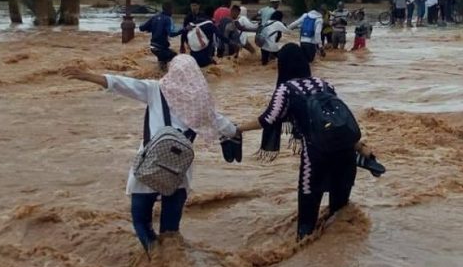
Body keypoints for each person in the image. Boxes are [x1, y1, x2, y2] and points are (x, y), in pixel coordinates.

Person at [61, 56, 239, 253]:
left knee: (141, 221)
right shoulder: (202, 104)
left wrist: (87, 76)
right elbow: (229, 129)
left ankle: (154, 256)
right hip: (179, 172)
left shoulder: (156, 89)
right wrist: (256, 126)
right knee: (171, 232)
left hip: (149, 166)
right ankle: (172, 261)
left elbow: (122, 84)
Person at [235, 44, 384, 240]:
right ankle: (339, 258)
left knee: (306, 223)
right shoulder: (325, 84)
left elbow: (268, 119)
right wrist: (363, 149)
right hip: (345, 155)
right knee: (339, 215)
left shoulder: (286, 89)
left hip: (316, 157)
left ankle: (305, 261)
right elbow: (339, 123)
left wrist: (236, 129)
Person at [140, 2, 183, 70]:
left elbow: (141, 28)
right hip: (161, 48)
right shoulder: (168, 19)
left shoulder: (154, 17)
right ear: (169, 9)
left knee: (162, 62)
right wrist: (184, 29)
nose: (173, 11)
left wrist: (151, 28)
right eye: (172, 10)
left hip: (153, 47)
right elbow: (171, 33)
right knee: (175, 57)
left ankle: (160, 73)